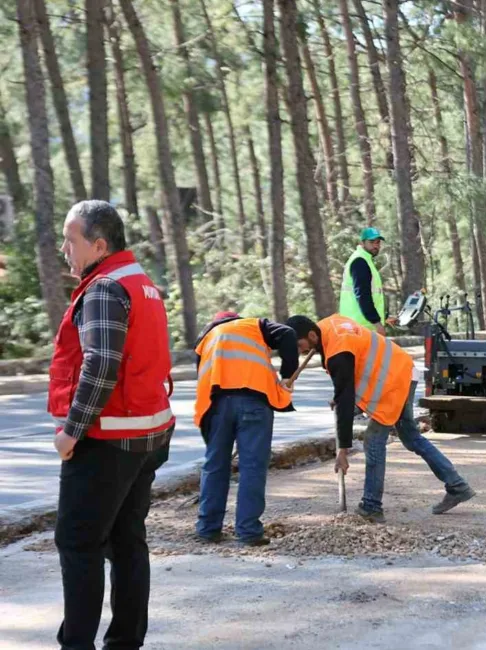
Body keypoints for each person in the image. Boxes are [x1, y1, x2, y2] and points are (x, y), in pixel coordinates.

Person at [48, 200, 174, 649]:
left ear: (99, 244)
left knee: (79, 545)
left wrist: (71, 432)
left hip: (108, 440)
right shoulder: (142, 284)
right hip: (147, 435)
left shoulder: (103, 288)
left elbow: (101, 366)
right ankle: (125, 642)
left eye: (71, 239)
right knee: (126, 542)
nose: (65, 248)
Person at [284, 314, 476, 520]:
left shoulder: (338, 352)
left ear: (312, 335)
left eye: (299, 345)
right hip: (401, 368)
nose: (300, 350)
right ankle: (457, 486)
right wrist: (342, 395)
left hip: (392, 381)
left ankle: (371, 506)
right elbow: (352, 374)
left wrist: (342, 450)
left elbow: (345, 398)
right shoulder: (327, 324)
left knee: (373, 441)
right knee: (412, 438)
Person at [193, 311, 302, 546]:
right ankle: (248, 531)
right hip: (254, 400)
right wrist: (286, 375)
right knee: (252, 467)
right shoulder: (253, 325)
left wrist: (209, 437)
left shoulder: (205, 340)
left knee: (214, 465)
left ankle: (207, 529)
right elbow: (288, 333)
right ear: (237, 319)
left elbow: (202, 383)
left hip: (217, 405)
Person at [339, 227, 392, 335]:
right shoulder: (360, 261)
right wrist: (376, 322)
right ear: (362, 242)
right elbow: (363, 295)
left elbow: (372, 296)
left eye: (378, 242)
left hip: (359, 326)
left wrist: (384, 317)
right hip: (361, 327)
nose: (375, 246)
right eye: (371, 242)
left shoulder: (364, 259)